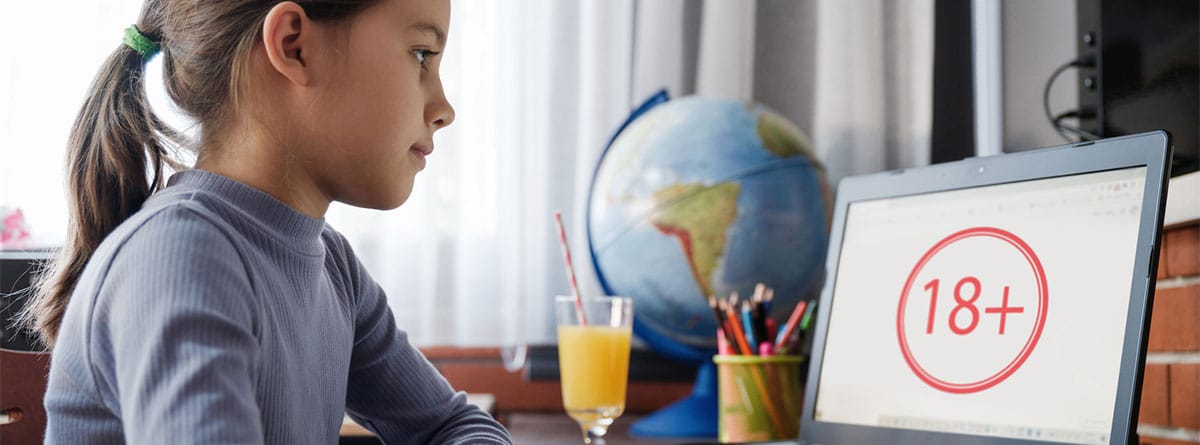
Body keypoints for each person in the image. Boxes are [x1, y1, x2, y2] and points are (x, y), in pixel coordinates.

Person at [22, 0, 512, 443]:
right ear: (293, 46)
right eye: (422, 54)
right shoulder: (178, 257)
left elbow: (453, 426)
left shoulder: (332, 267)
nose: (444, 109)